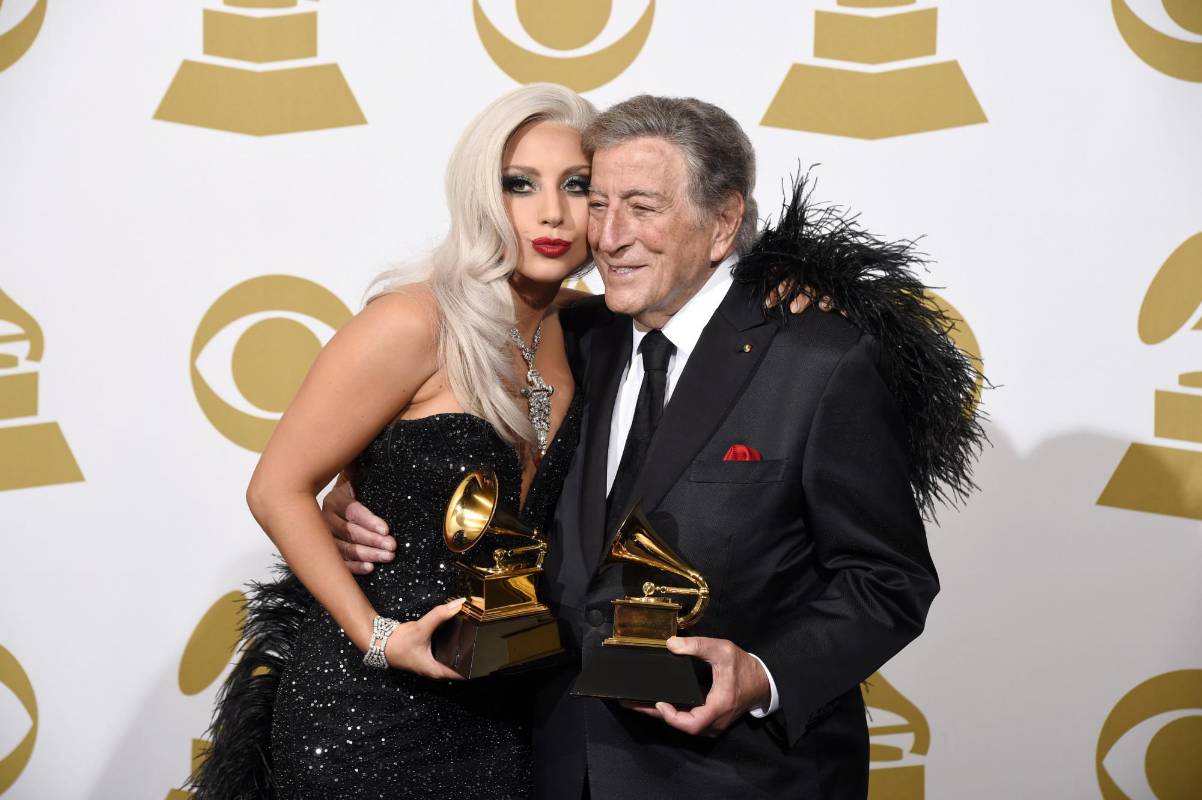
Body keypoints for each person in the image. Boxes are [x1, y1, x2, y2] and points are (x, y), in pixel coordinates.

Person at [326, 94, 984, 799]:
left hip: (741, 776)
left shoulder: (820, 359)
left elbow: (888, 581)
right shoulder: (569, 343)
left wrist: (761, 673)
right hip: (550, 762)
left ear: (723, 221)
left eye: (642, 207)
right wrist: (357, 491)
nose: (608, 237)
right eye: (598, 203)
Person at [187, 83, 598, 799]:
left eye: (577, 185)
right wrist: (379, 635)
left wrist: (789, 290)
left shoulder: (591, 328)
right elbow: (277, 488)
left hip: (505, 709)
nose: (553, 212)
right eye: (520, 185)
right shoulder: (414, 323)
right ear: (478, 193)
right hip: (368, 707)